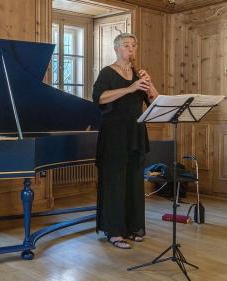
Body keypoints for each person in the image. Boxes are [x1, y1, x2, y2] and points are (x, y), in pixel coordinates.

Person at [92, 33, 159, 249]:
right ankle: (114, 232)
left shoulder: (138, 74)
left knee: (134, 183)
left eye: (133, 45)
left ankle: (133, 228)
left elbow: (155, 102)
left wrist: (148, 84)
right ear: (116, 49)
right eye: (126, 45)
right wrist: (130, 88)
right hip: (114, 135)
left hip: (135, 133)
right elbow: (99, 98)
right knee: (114, 183)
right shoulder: (107, 72)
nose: (130, 49)